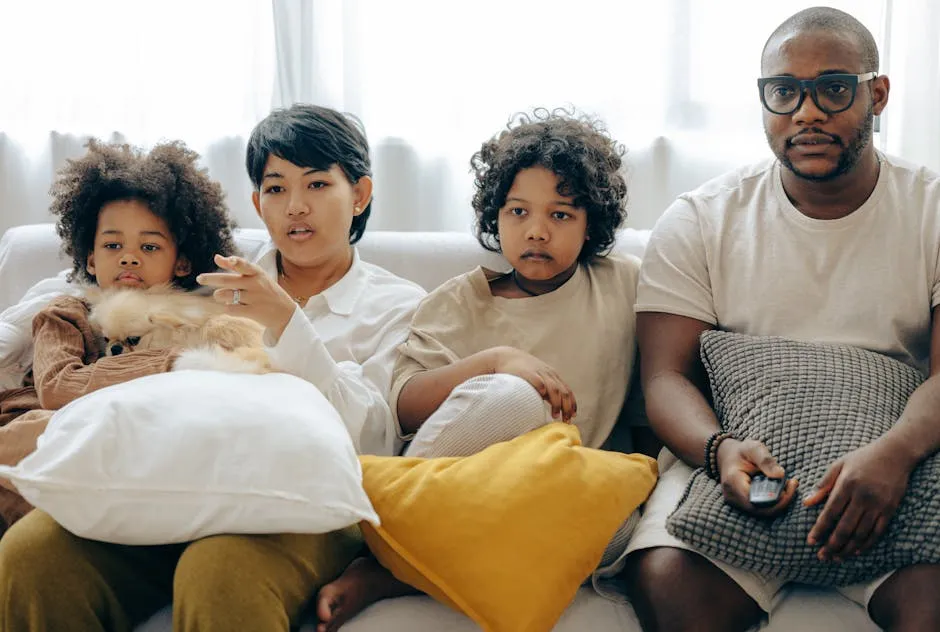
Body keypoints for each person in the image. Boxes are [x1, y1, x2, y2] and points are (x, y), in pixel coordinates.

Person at [0, 104, 426, 632]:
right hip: (172, 484)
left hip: (302, 506)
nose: (295, 207)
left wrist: (288, 323)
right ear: (257, 202)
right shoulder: (207, 279)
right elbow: (90, 293)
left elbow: (378, 437)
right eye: (276, 189)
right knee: (32, 555)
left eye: (316, 185)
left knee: (220, 572)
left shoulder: (399, 306)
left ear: (359, 194)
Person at [624, 7, 940, 632]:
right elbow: (665, 379)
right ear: (763, 100)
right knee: (668, 585)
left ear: (876, 94)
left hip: (897, 454)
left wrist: (896, 455)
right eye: (784, 92)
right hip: (741, 459)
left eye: (833, 87)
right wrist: (719, 452)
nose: (807, 112)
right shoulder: (700, 218)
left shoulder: (930, 208)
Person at [314, 108, 643, 631]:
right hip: (462, 488)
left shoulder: (623, 285)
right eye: (518, 212)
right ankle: (386, 548)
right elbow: (402, 405)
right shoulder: (458, 302)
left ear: (590, 226)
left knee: (623, 526)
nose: (537, 231)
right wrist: (495, 362)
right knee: (515, 396)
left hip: (552, 497)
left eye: (561, 216)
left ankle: (405, 567)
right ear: (496, 217)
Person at [0, 139, 237, 533]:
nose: (129, 257)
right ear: (90, 258)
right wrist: (171, 363)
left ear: (180, 262)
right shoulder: (65, 312)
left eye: (149, 246)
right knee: (51, 429)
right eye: (113, 245)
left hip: (117, 445)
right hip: (33, 426)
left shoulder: (192, 321)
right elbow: (57, 387)